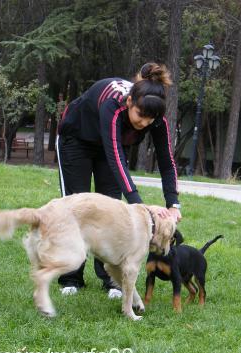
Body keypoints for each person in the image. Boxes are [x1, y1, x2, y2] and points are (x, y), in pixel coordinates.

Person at [56, 62, 182, 299]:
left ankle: (111, 280)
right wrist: (140, 206)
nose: (144, 123)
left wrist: (173, 203)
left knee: (110, 212)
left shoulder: (156, 120)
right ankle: (70, 277)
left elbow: (167, 162)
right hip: (76, 139)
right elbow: (115, 156)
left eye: (150, 119)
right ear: (130, 102)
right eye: (140, 116)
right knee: (75, 208)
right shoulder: (113, 105)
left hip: (110, 148)